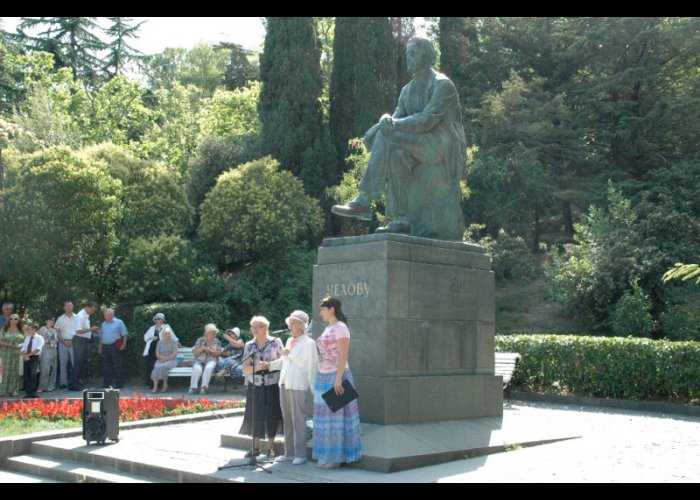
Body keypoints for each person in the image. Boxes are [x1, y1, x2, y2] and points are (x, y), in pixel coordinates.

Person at [331, 36, 467, 240]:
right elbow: (394, 119)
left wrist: (383, 126)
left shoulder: (443, 85)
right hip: (419, 146)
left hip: (441, 148)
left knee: (389, 138)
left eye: (413, 54)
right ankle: (400, 218)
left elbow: (425, 122)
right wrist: (382, 122)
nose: (409, 59)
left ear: (426, 56)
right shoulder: (407, 91)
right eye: (408, 54)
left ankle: (365, 199)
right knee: (396, 154)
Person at [312, 296, 362, 468]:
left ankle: (336, 457)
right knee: (324, 418)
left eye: (323, 309)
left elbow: (343, 355)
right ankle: (327, 455)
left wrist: (338, 378)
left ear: (332, 309)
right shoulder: (329, 328)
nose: (321, 313)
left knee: (336, 418)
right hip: (323, 375)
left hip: (336, 375)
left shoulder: (340, 327)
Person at [271, 310, 318, 465]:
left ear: (302, 325)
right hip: (284, 382)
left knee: (298, 419)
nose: (291, 326)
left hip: (298, 384)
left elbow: (309, 365)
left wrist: (288, 354)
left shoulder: (309, 343)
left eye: (294, 323)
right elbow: (285, 361)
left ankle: (301, 454)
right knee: (287, 419)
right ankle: (288, 452)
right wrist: (269, 365)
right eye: (290, 323)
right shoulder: (289, 340)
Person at [239, 316, 284, 458]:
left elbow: (284, 362)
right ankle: (255, 448)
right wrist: (257, 368)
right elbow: (245, 369)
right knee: (254, 415)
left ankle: (270, 448)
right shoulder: (249, 345)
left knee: (271, 414)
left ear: (266, 327)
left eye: (258, 326)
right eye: (253, 327)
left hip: (272, 384)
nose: (255, 330)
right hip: (255, 385)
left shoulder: (276, 342)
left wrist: (270, 365)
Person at [142, 313, 178, 387]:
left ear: (162, 320)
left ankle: (160, 384)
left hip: (161, 349)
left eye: (160, 319)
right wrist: (151, 337)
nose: (158, 320)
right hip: (151, 349)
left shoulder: (166, 327)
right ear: (155, 320)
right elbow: (145, 336)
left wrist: (179, 344)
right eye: (157, 319)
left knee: (158, 365)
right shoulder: (152, 328)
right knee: (150, 366)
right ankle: (151, 384)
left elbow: (173, 336)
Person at [70, 302, 99, 391]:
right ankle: (74, 384)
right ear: (87, 307)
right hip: (79, 340)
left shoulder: (85, 316)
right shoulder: (80, 316)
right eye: (92, 310)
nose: (93, 312)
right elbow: (78, 331)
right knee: (78, 363)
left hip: (82, 340)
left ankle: (77, 382)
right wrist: (91, 329)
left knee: (81, 362)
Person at [97, 308, 128, 388]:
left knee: (118, 365)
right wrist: (100, 348)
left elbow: (124, 334)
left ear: (112, 315)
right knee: (106, 366)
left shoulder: (119, 322)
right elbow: (101, 337)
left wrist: (124, 344)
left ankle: (119, 383)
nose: (105, 316)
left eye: (107, 315)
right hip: (105, 347)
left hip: (115, 346)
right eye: (105, 315)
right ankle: (107, 383)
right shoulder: (103, 324)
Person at [188, 324, 222, 395]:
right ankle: (193, 388)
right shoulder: (200, 340)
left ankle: (204, 388)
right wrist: (203, 348)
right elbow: (195, 353)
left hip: (211, 360)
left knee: (208, 368)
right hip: (199, 360)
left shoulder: (217, 341)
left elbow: (218, 354)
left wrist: (211, 350)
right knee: (197, 369)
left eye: (215, 333)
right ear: (207, 333)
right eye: (213, 333)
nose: (214, 335)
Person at [54, 301, 79, 390]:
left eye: (70, 305)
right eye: (66, 306)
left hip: (74, 343)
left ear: (73, 307)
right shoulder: (60, 318)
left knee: (75, 363)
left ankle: (76, 382)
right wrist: (63, 341)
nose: (68, 307)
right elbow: (56, 332)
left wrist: (73, 341)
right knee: (63, 363)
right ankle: (63, 383)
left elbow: (80, 331)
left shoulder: (77, 318)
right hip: (62, 343)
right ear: (64, 308)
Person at [0, 313, 24, 396]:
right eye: (11, 319)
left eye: (15, 319)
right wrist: (9, 345)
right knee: (4, 371)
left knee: (15, 371)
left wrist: (20, 345)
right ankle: (2, 390)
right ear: (9, 320)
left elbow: (26, 341)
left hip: (17, 354)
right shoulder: (4, 329)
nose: (13, 320)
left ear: (18, 320)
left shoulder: (22, 331)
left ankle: (14, 390)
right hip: (5, 353)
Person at [150, 328, 178, 393]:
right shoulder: (160, 342)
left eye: (169, 334)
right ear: (163, 335)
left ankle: (165, 385)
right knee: (156, 366)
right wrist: (162, 358)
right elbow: (157, 353)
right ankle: (155, 387)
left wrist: (166, 359)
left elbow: (174, 354)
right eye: (166, 334)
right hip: (161, 359)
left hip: (171, 360)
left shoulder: (174, 342)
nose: (167, 335)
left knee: (164, 366)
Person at [20, 322, 44, 398]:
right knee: (26, 375)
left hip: (34, 357)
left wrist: (28, 355)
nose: (28, 330)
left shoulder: (39, 338)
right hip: (26, 357)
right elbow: (24, 347)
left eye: (29, 329)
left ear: (34, 329)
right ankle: (28, 392)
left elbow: (38, 349)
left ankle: (33, 392)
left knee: (34, 374)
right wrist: (25, 355)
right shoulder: (27, 337)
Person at [38, 316, 59, 392]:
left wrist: (56, 340)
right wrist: (49, 342)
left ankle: (51, 386)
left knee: (53, 369)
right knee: (45, 369)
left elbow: (56, 339)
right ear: (46, 321)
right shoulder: (42, 329)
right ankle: (42, 386)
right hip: (45, 350)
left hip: (53, 350)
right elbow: (40, 339)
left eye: (53, 320)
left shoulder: (54, 330)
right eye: (50, 320)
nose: (52, 321)